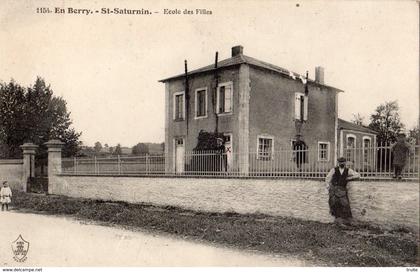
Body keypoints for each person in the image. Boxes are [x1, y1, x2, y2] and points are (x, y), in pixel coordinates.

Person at [325, 157, 360, 225]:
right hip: (334, 190)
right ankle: (338, 221)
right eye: (340, 162)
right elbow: (327, 178)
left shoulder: (348, 170)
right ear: (338, 163)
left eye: (343, 162)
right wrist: (328, 187)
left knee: (345, 204)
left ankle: (347, 221)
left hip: (342, 191)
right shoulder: (334, 170)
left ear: (345, 163)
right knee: (334, 204)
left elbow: (358, 175)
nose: (341, 163)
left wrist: (349, 178)